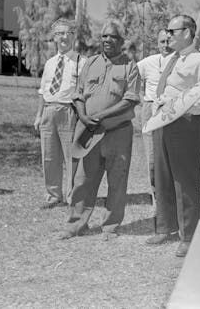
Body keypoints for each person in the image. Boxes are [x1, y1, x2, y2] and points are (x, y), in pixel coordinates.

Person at [60, 19, 140, 240]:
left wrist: (102, 116)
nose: (107, 40)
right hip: (89, 131)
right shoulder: (91, 62)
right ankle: (76, 224)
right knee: (83, 179)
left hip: (118, 133)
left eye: (112, 36)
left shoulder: (130, 66)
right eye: (104, 35)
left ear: (121, 41)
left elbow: (130, 100)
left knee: (117, 179)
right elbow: (78, 94)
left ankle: (111, 227)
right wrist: (84, 116)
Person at [146, 14, 200, 257]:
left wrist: (178, 104)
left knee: (185, 181)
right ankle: (165, 226)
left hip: (185, 125)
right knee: (162, 177)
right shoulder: (173, 59)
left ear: (187, 32)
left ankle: (189, 235)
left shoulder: (199, 61)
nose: (168, 35)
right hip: (163, 123)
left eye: (172, 31)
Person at [34, 18, 86, 209]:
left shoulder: (82, 62)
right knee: (48, 156)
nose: (65, 37)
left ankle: (74, 197)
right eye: (60, 33)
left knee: (71, 157)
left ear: (74, 36)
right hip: (48, 111)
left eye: (69, 33)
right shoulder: (49, 63)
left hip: (69, 112)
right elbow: (42, 90)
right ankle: (53, 195)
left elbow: (85, 92)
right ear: (54, 37)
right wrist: (39, 115)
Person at [137, 30, 173, 199]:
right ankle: (156, 198)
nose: (166, 45)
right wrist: (140, 99)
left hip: (173, 110)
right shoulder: (148, 62)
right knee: (152, 158)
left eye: (168, 41)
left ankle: (170, 195)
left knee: (170, 155)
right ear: (157, 43)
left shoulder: (181, 61)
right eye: (162, 42)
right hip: (150, 109)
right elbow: (130, 78)